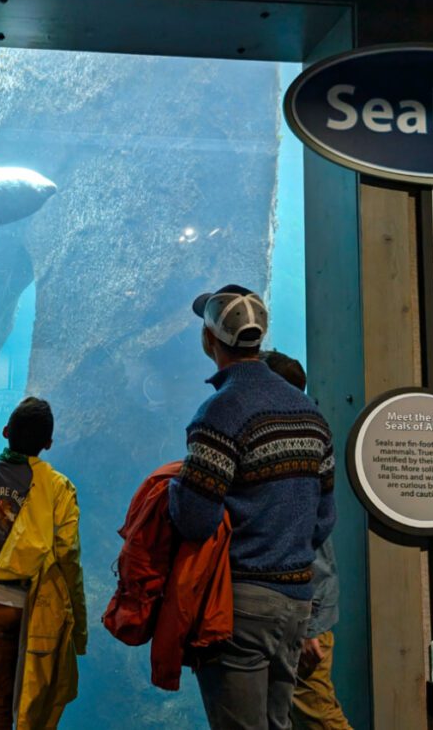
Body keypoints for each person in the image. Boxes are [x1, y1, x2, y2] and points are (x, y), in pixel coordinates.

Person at [168, 285, 336, 730]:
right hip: (296, 603)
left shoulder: (220, 413)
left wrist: (173, 487)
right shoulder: (309, 413)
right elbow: (323, 519)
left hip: (239, 605)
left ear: (209, 340)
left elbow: (195, 519)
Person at [0, 397, 88, 730]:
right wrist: (78, 627)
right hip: (41, 607)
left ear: (5, 431)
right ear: (48, 443)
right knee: (37, 702)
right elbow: (68, 556)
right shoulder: (59, 488)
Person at [260, 352, 351, 730]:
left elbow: (308, 544)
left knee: (319, 716)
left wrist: (309, 629)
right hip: (297, 613)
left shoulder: (294, 449)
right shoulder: (306, 438)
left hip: (302, 616)